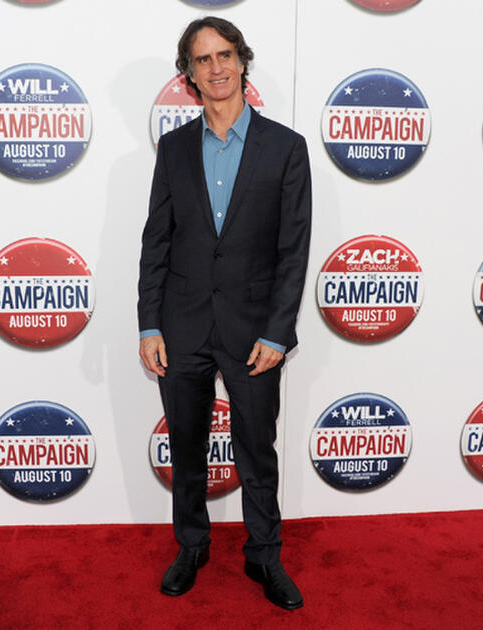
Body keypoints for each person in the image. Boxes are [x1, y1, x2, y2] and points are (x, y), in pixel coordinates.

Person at [137, 16, 311, 610]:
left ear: (243, 60)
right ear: (188, 74)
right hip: (181, 325)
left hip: (254, 332)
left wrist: (278, 332)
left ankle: (265, 555)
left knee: (257, 451)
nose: (216, 67)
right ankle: (191, 546)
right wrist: (149, 323)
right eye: (203, 58)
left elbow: (294, 252)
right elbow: (156, 240)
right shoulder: (176, 148)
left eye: (225, 54)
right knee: (186, 446)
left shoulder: (286, 148)